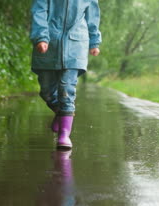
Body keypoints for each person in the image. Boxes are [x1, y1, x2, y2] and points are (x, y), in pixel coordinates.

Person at [30, 0, 102, 149]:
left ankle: (64, 135)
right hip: (49, 43)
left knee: (67, 89)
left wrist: (94, 41)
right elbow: (39, 12)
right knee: (46, 91)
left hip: (76, 43)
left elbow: (92, 16)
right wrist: (41, 36)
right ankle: (60, 111)